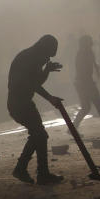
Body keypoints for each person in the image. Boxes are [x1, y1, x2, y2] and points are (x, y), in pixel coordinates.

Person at [7, 34, 65, 185]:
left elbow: (35, 81)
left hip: (23, 102)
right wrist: (50, 98)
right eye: (47, 55)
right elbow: (32, 84)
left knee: (39, 135)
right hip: (19, 103)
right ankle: (24, 169)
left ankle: (40, 173)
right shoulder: (29, 58)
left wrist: (46, 70)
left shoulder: (32, 56)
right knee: (39, 134)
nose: (47, 58)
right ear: (44, 49)